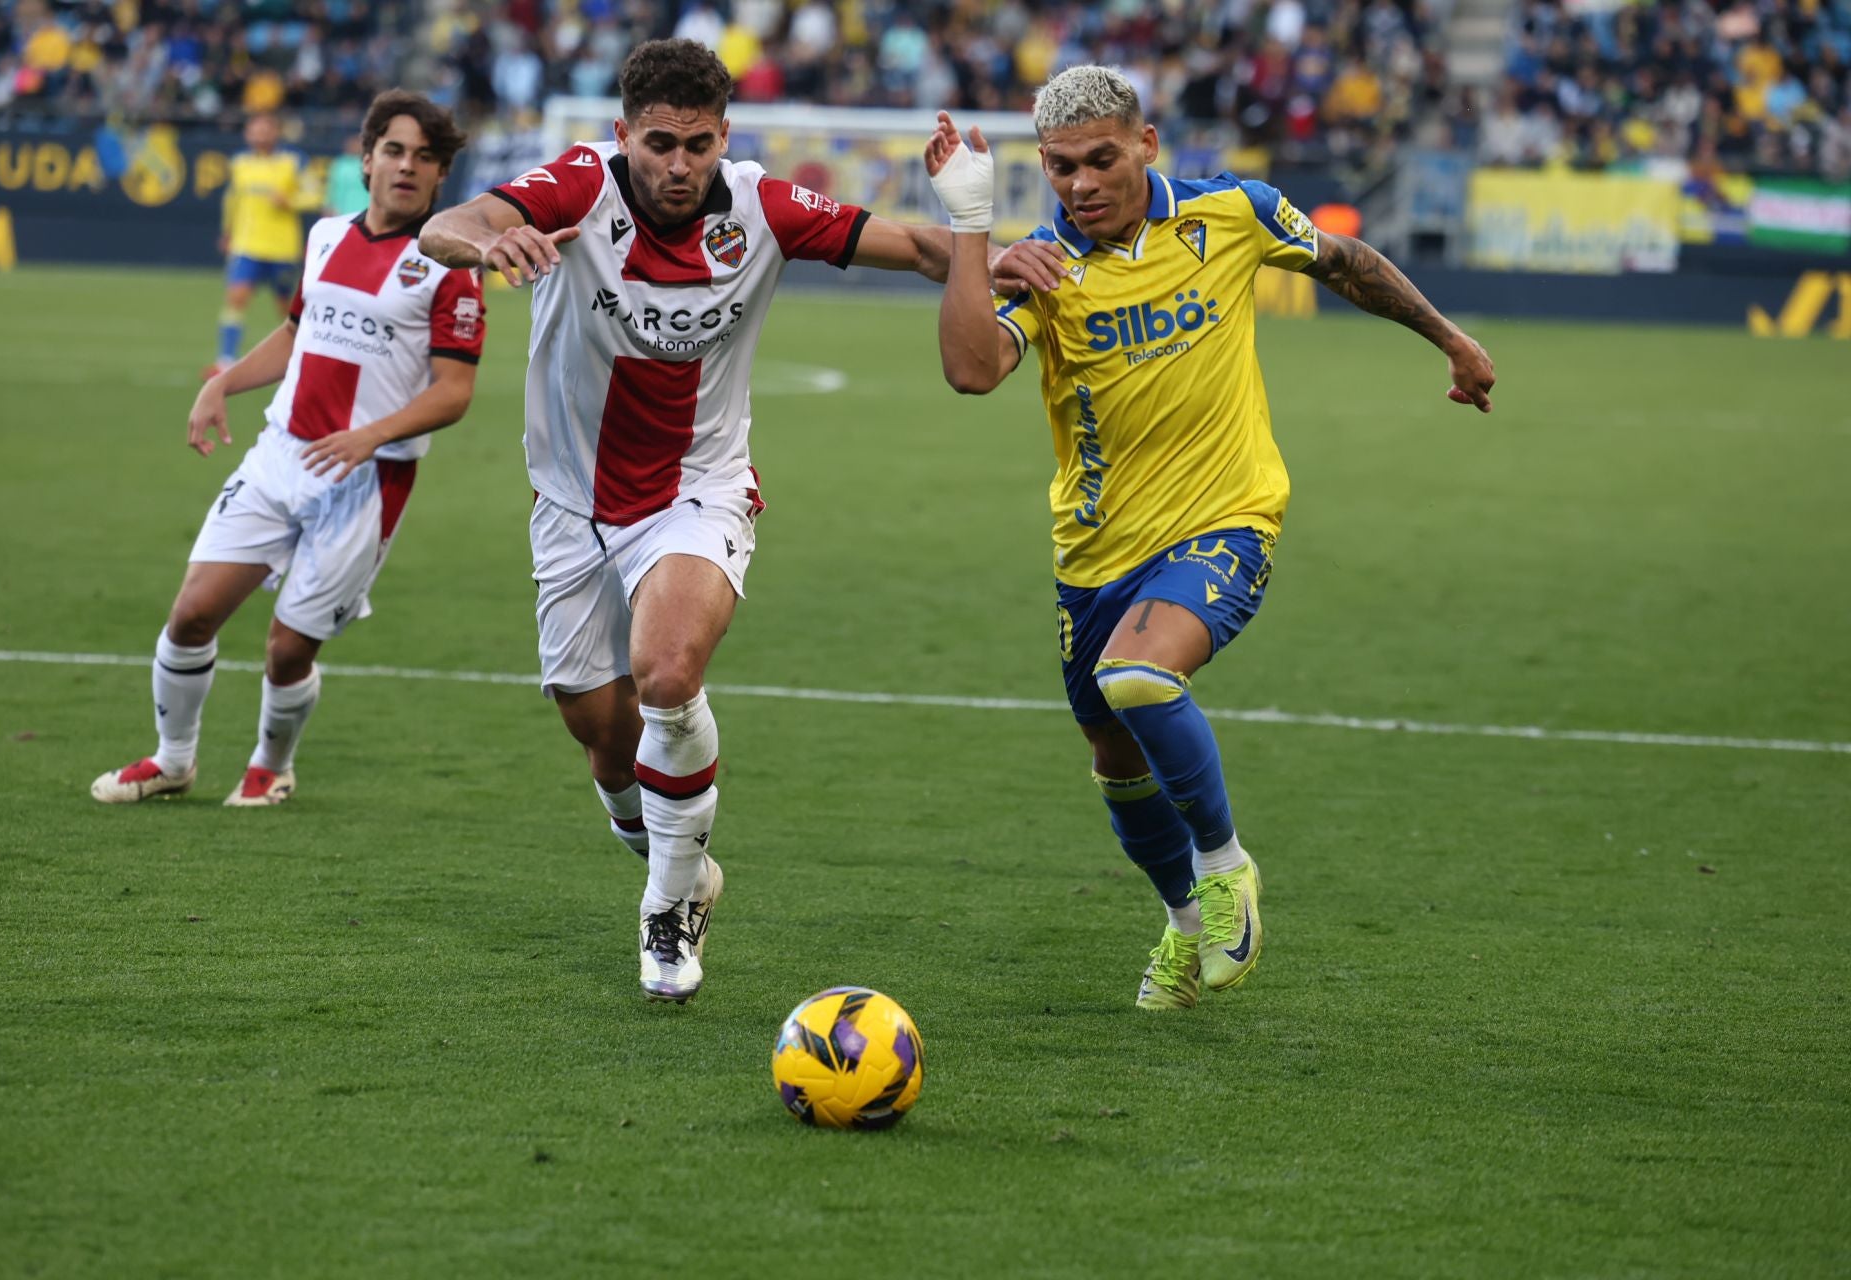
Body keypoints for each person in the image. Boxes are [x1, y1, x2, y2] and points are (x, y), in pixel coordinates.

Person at [419, 38, 1063, 1004]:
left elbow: (909, 245)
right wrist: (485, 240)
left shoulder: (761, 205)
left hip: (696, 487)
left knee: (669, 672)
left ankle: (670, 906)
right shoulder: (579, 186)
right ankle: (674, 851)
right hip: (570, 503)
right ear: (625, 134)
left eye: (701, 145)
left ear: (726, 137)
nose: (680, 165)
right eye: (661, 143)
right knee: (601, 731)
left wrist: (987, 250)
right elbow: (450, 222)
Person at [925, 66, 1496, 1009]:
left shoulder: (1234, 212)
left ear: (1148, 146)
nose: (1082, 184)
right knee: (1113, 756)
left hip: (1226, 516)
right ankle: (1187, 928)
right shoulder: (1041, 264)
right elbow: (970, 370)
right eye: (1062, 168)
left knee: (1140, 675)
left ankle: (1227, 869)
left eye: (1102, 159)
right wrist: (973, 238)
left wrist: (1450, 338)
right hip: (1094, 553)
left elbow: (1346, 264)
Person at [92, 91, 485, 809]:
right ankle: (173, 760)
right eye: (394, 151)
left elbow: (454, 390)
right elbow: (299, 330)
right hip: (281, 454)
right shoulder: (328, 236)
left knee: (287, 650)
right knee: (190, 616)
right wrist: (224, 386)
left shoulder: (448, 267)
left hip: (367, 479)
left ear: (439, 177)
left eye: (426, 158)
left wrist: (370, 435)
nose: (408, 166)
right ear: (366, 160)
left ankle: (271, 764)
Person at [210, 114, 309, 379]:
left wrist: (289, 200)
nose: (260, 135)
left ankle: (296, 359)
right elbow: (233, 199)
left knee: (286, 309)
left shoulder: (292, 162)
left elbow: (313, 194)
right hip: (247, 245)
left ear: (276, 132)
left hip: (282, 248)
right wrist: (228, 231)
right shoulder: (240, 163)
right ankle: (225, 360)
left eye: (265, 129)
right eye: (254, 130)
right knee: (236, 298)